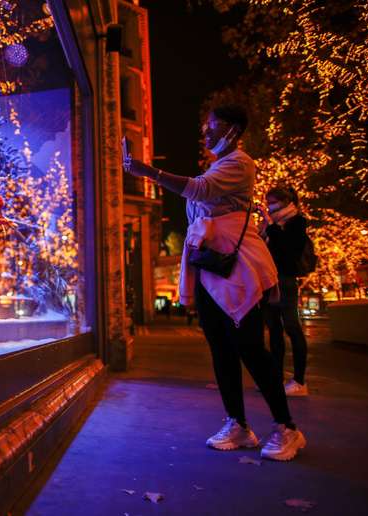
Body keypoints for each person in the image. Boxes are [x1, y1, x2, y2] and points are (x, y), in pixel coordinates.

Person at [123, 104, 307, 461]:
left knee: (251, 348)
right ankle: (237, 424)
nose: (206, 133)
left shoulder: (239, 163)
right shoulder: (219, 165)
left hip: (237, 269)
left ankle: (287, 428)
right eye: (206, 127)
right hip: (209, 268)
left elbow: (200, 190)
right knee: (221, 349)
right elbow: (200, 196)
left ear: (234, 131)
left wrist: (147, 170)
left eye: (213, 127)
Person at [258, 186, 310, 396]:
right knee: (274, 330)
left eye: (272, 202)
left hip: (286, 279)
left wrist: (270, 226)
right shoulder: (269, 223)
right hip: (269, 280)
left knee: (291, 327)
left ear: (284, 202)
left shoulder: (296, 221)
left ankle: (299, 380)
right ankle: (275, 378)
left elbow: (289, 250)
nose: (270, 207)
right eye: (268, 202)